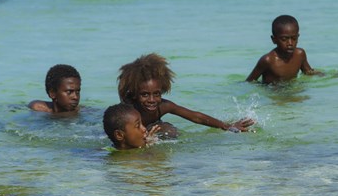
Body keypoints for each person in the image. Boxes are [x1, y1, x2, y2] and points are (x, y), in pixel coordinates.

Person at [117, 53, 255, 137]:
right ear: (134, 94)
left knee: (170, 132)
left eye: (156, 94)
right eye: (145, 95)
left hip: (153, 126)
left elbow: (195, 116)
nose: (152, 100)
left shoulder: (164, 106)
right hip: (134, 128)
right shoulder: (129, 110)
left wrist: (227, 126)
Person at [246, 15, 322, 84]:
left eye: (294, 38)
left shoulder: (300, 54)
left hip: (292, 89)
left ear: (298, 37)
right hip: (274, 94)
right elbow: (249, 82)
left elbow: (308, 72)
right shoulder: (268, 60)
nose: (290, 43)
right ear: (274, 39)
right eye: (284, 39)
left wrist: (327, 76)